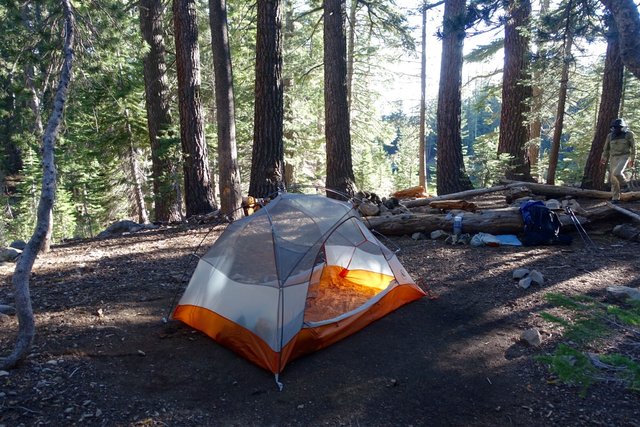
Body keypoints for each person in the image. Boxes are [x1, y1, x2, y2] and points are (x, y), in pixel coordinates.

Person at [601, 118, 636, 203]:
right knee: (613, 179)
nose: (617, 129)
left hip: (624, 156)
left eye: (619, 127)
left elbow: (634, 147)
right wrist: (604, 157)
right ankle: (615, 198)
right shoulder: (610, 136)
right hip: (613, 158)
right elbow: (606, 148)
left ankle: (625, 186)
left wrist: (632, 159)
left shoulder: (628, 134)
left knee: (617, 172)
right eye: (615, 127)